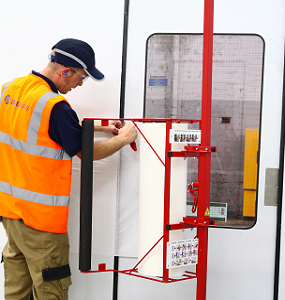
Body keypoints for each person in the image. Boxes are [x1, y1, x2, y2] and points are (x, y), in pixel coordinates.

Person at [0, 38, 138, 300]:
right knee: (51, 290)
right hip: (41, 223)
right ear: (65, 71)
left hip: (11, 213)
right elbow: (86, 153)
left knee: (17, 291)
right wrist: (123, 139)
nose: (79, 85)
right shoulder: (56, 106)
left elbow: (38, 131)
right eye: (81, 78)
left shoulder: (11, 89)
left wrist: (96, 128)